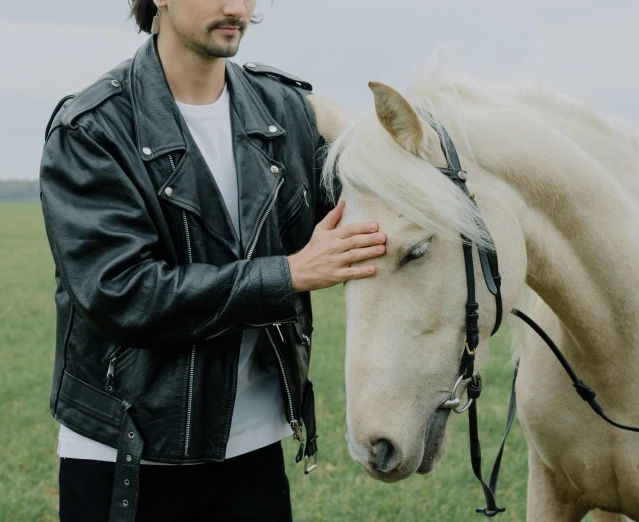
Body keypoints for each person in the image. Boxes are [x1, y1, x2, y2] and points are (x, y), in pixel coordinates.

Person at [39, 1, 386, 520]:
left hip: (252, 453)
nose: (235, 8)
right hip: (125, 454)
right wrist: (287, 275)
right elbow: (120, 293)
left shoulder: (284, 111)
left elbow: (376, 202)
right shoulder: (91, 129)